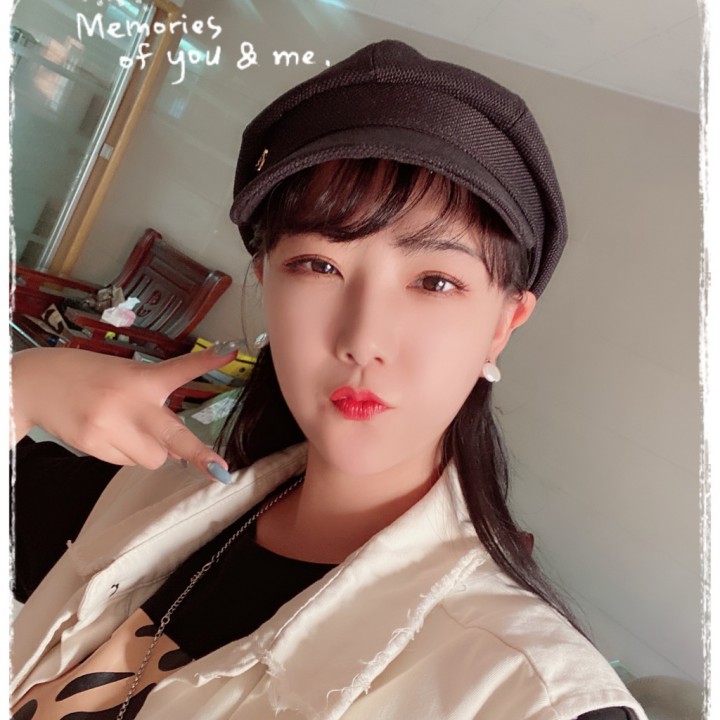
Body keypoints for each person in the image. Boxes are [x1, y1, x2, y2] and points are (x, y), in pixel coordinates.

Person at [10, 40, 648, 720]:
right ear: (265, 280)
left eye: (435, 281)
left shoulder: (524, 694)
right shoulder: (133, 507)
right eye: (319, 266)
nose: (362, 340)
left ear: (503, 324)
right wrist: (21, 387)